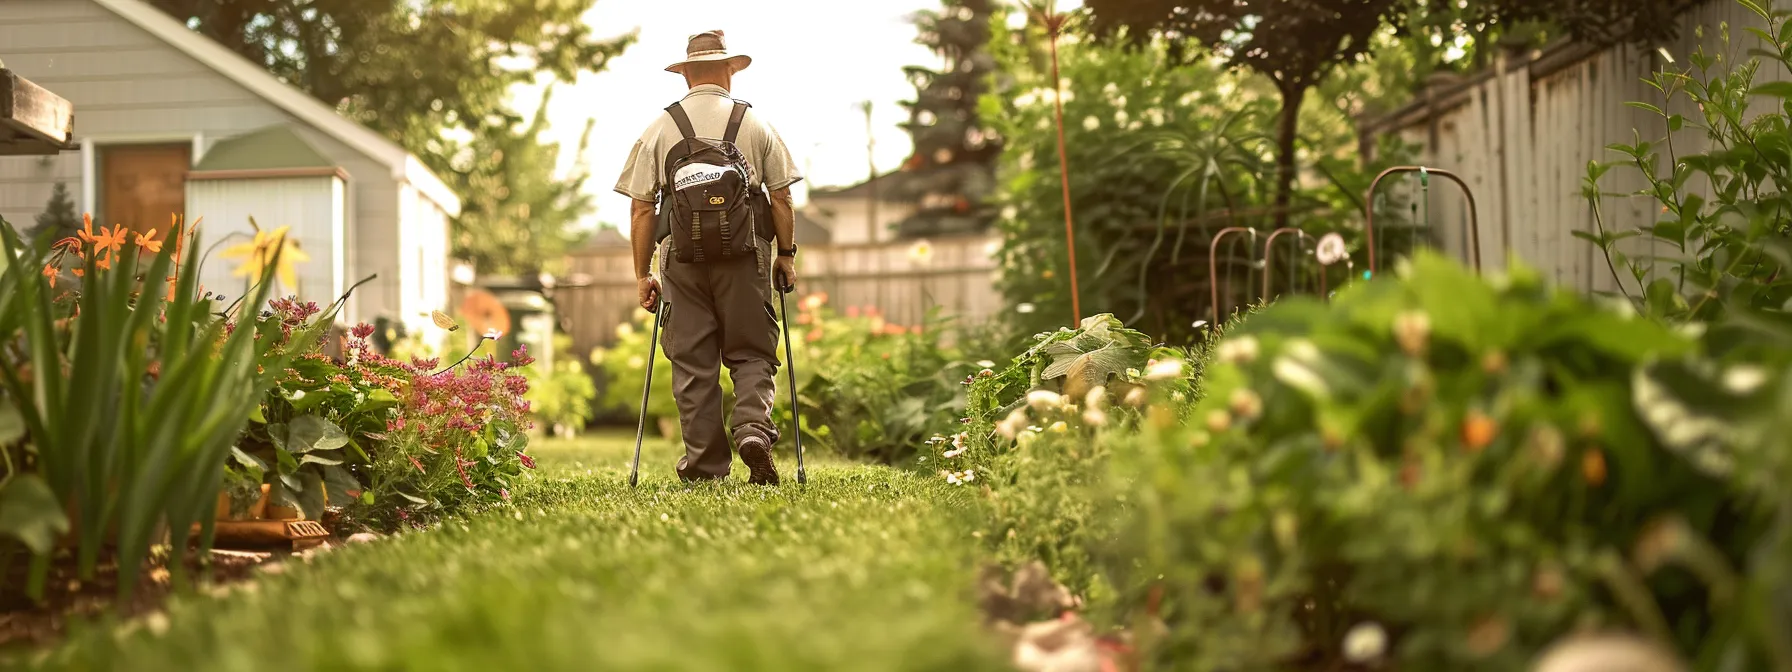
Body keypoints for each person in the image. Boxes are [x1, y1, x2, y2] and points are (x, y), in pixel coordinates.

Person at [615, 30, 802, 485]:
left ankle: (704, 467)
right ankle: (753, 428)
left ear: (686, 76)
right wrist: (786, 256)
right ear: (727, 72)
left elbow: (641, 208)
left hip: (681, 261)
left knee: (693, 361)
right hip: (747, 258)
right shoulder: (755, 125)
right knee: (753, 350)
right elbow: (781, 199)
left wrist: (643, 274)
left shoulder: (660, 128)